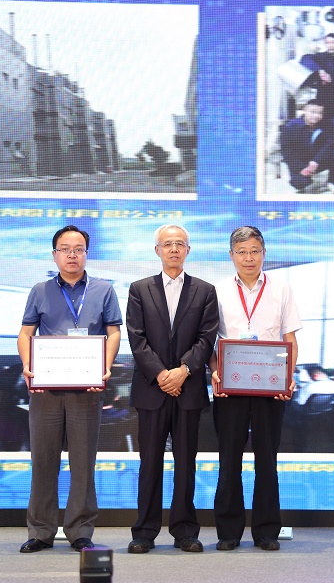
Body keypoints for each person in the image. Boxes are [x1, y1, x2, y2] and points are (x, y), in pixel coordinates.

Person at [17, 225, 122, 553]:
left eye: (78, 249)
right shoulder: (40, 290)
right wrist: (27, 366)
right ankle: (41, 531)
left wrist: (105, 366)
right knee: (43, 461)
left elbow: (114, 332)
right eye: (65, 249)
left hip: (86, 390)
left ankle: (80, 531)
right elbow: (25, 333)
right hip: (46, 390)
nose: (72, 255)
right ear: (55, 255)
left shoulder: (104, 289)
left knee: (83, 462)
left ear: (87, 254)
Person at [126, 224, 219, 554]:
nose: (174, 249)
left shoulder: (205, 290)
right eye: (168, 244)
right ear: (157, 251)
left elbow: (207, 338)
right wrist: (163, 375)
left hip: (188, 389)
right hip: (152, 390)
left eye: (180, 244)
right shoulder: (139, 289)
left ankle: (185, 531)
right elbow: (136, 338)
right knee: (149, 464)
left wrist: (183, 371)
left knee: (185, 464)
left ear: (188, 250)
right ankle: (144, 532)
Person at [209, 226, 301, 552]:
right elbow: (210, 341)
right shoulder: (217, 291)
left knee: (267, 460)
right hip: (230, 388)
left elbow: (290, 338)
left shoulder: (282, 288)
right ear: (231, 255)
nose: (248, 258)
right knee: (228, 460)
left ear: (264, 253)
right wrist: (215, 373)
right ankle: (228, 532)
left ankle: (266, 531)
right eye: (242, 252)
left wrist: (289, 377)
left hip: (270, 388)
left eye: (254, 251)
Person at [280, 100, 326, 193]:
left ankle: (333, 181)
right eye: (313, 112)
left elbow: (327, 145)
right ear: (305, 110)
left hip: (316, 160)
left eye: (320, 113)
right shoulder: (291, 127)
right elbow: (287, 152)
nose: (316, 116)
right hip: (300, 162)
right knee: (300, 183)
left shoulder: (323, 126)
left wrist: (316, 160)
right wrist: (301, 168)